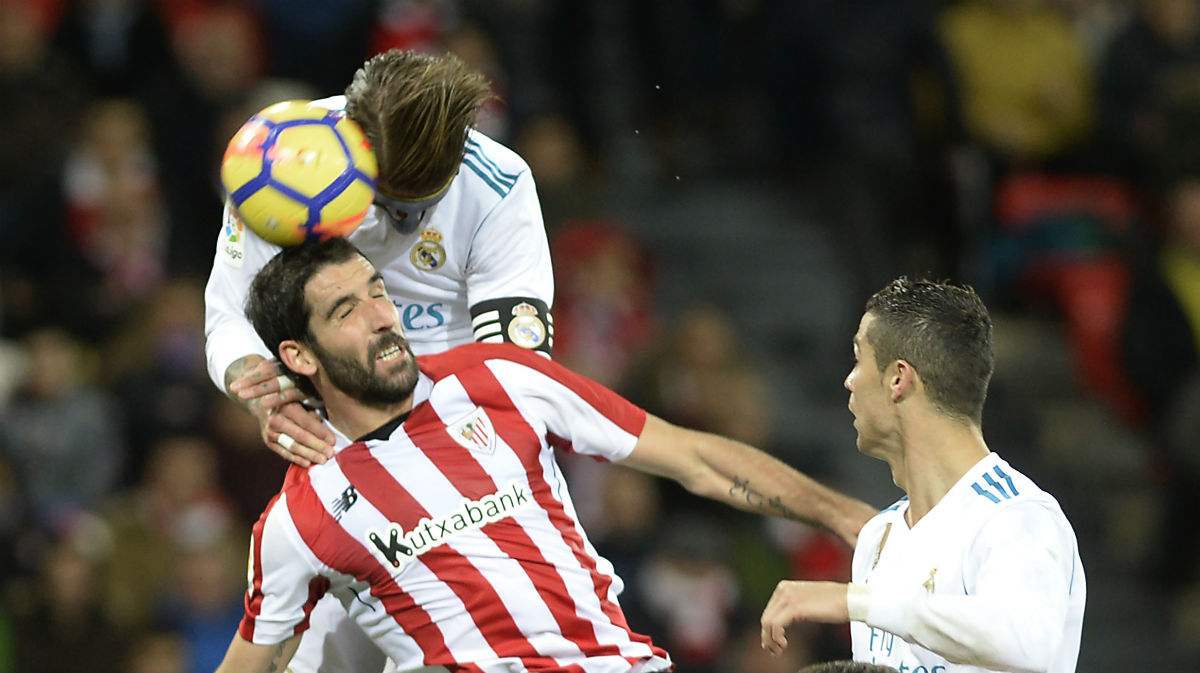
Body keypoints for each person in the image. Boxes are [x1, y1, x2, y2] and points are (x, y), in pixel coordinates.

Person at [213, 238, 877, 673]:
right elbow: (253, 661)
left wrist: (853, 520)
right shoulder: (301, 516)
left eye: (377, 290)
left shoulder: (498, 377)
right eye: (346, 310)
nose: (381, 315)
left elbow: (696, 458)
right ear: (298, 356)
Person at [203, 49, 555, 673]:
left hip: (465, 450)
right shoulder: (283, 156)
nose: (402, 221)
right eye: (390, 200)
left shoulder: (499, 184)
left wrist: (425, 463)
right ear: (356, 146)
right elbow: (229, 317)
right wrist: (258, 387)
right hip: (334, 452)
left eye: (420, 207)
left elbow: (513, 371)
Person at [759, 277, 1086, 673]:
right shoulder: (878, 538)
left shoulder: (1017, 516)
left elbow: (1026, 643)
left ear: (898, 378)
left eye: (859, 358)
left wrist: (853, 601)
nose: (849, 380)